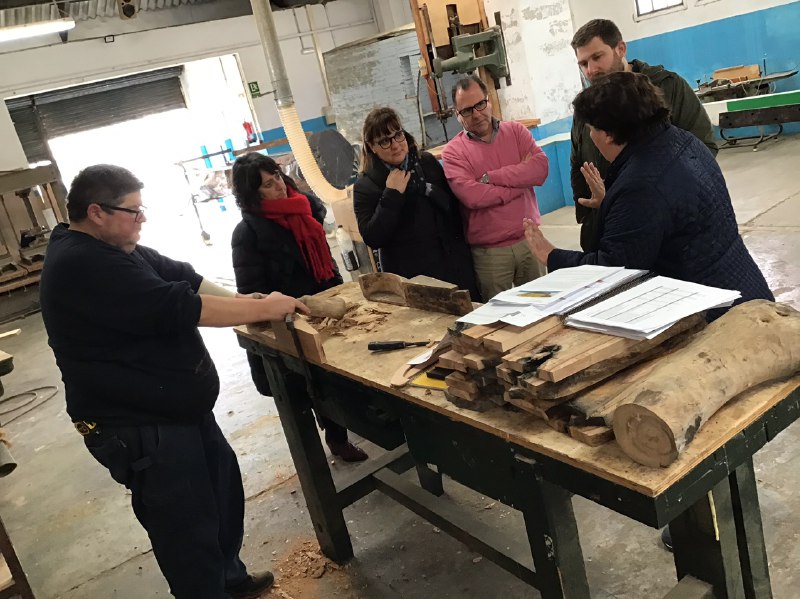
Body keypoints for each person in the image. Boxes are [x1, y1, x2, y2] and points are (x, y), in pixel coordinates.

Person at [39, 165, 308, 598]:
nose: (141, 219)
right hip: (138, 424)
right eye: (133, 211)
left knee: (221, 500)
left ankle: (230, 581)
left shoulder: (119, 246)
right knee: (186, 529)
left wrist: (246, 301)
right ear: (96, 212)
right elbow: (180, 307)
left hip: (178, 411)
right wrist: (264, 310)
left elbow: (183, 276)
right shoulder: (82, 264)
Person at [524, 71, 773, 321]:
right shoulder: (682, 140)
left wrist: (551, 255)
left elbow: (615, 270)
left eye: (591, 128)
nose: (590, 136)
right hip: (744, 289)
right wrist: (613, 203)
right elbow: (667, 213)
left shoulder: (640, 184)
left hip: (716, 315)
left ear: (609, 133)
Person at [231, 152, 368, 462]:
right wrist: (283, 313)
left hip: (324, 304)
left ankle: (339, 431)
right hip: (290, 318)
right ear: (253, 194)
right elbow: (251, 293)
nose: (278, 185)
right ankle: (330, 443)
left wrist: (337, 294)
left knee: (340, 373)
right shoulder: (248, 234)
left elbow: (324, 260)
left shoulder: (306, 208)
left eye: (277, 176)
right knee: (306, 387)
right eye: (268, 184)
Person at [570, 18, 717, 251]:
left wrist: (644, 200)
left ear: (620, 49)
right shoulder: (586, 108)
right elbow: (578, 164)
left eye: (597, 58)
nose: (591, 70)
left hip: (670, 232)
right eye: (583, 63)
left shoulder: (668, 87)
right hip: (609, 230)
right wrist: (591, 219)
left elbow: (702, 149)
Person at [353, 107, 479, 300]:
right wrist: (391, 195)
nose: (395, 145)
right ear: (371, 146)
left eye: (398, 135)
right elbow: (373, 237)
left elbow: (453, 209)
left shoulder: (425, 162)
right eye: (385, 141)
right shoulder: (366, 185)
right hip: (413, 278)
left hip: (453, 266)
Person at [442, 74, 549, 301]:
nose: (477, 114)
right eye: (467, 110)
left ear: (488, 100)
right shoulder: (453, 153)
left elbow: (540, 170)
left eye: (480, 104)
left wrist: (492, 177)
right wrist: (519, 183)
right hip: (490, 255)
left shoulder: (517, 132)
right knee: (500, 320)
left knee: (542, 309)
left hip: (530, 241)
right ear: (456, 115)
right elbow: (473, 197)